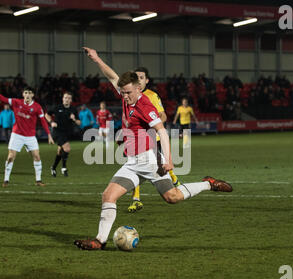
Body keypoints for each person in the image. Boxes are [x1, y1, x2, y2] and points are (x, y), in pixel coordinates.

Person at [74, 47, 233, 250]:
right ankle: (100, 241)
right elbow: (112, 76)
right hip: (132, 163)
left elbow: (163, 132)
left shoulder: (145, 106)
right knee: (108, 196)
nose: (125, 96)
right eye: (122, 93)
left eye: (128, 93)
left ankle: (208, 184)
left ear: (138, 89)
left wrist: (168, 159)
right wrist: (96, 59)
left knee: (172, 197)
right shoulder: (125, 94)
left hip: (149, 161)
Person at [127, 66, 181, 213]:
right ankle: (136, 200)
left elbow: (163, 116)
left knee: (159, 166)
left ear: (147, 81)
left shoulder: (152, 95)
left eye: (141, 77)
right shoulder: (128, 95)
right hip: (136, 140)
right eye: (135, 77)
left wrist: (152, 124)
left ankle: (173, 178)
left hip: (152, 139)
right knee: (135, 166)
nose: (138, 80)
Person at [0, 78, 54, 187]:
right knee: (10, 157)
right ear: (23, 94)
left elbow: (43, 121)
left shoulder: (37, 107)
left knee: (37, 156)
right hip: (17, 134)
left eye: (30, 93)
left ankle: (38, 180)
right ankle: (6, 180)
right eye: (26, 93)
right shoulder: (16, 102)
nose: (28, 95)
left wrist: (49, 135)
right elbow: (3, 99)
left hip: (30, 136)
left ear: (33, 95)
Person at [45, 91, 80, 178]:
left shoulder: (73, 109)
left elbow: (79, 122)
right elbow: (46, 114)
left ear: (71, 100)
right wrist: (51, 122)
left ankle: (53, 167)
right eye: (65, 98)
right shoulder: (57, 107)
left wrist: (74, 119)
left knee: (60, 152)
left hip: (67, 133)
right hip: (57, 132)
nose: (66, 99)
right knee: (67, 148)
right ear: (62, 99)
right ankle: (64, 167)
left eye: (68, 98)